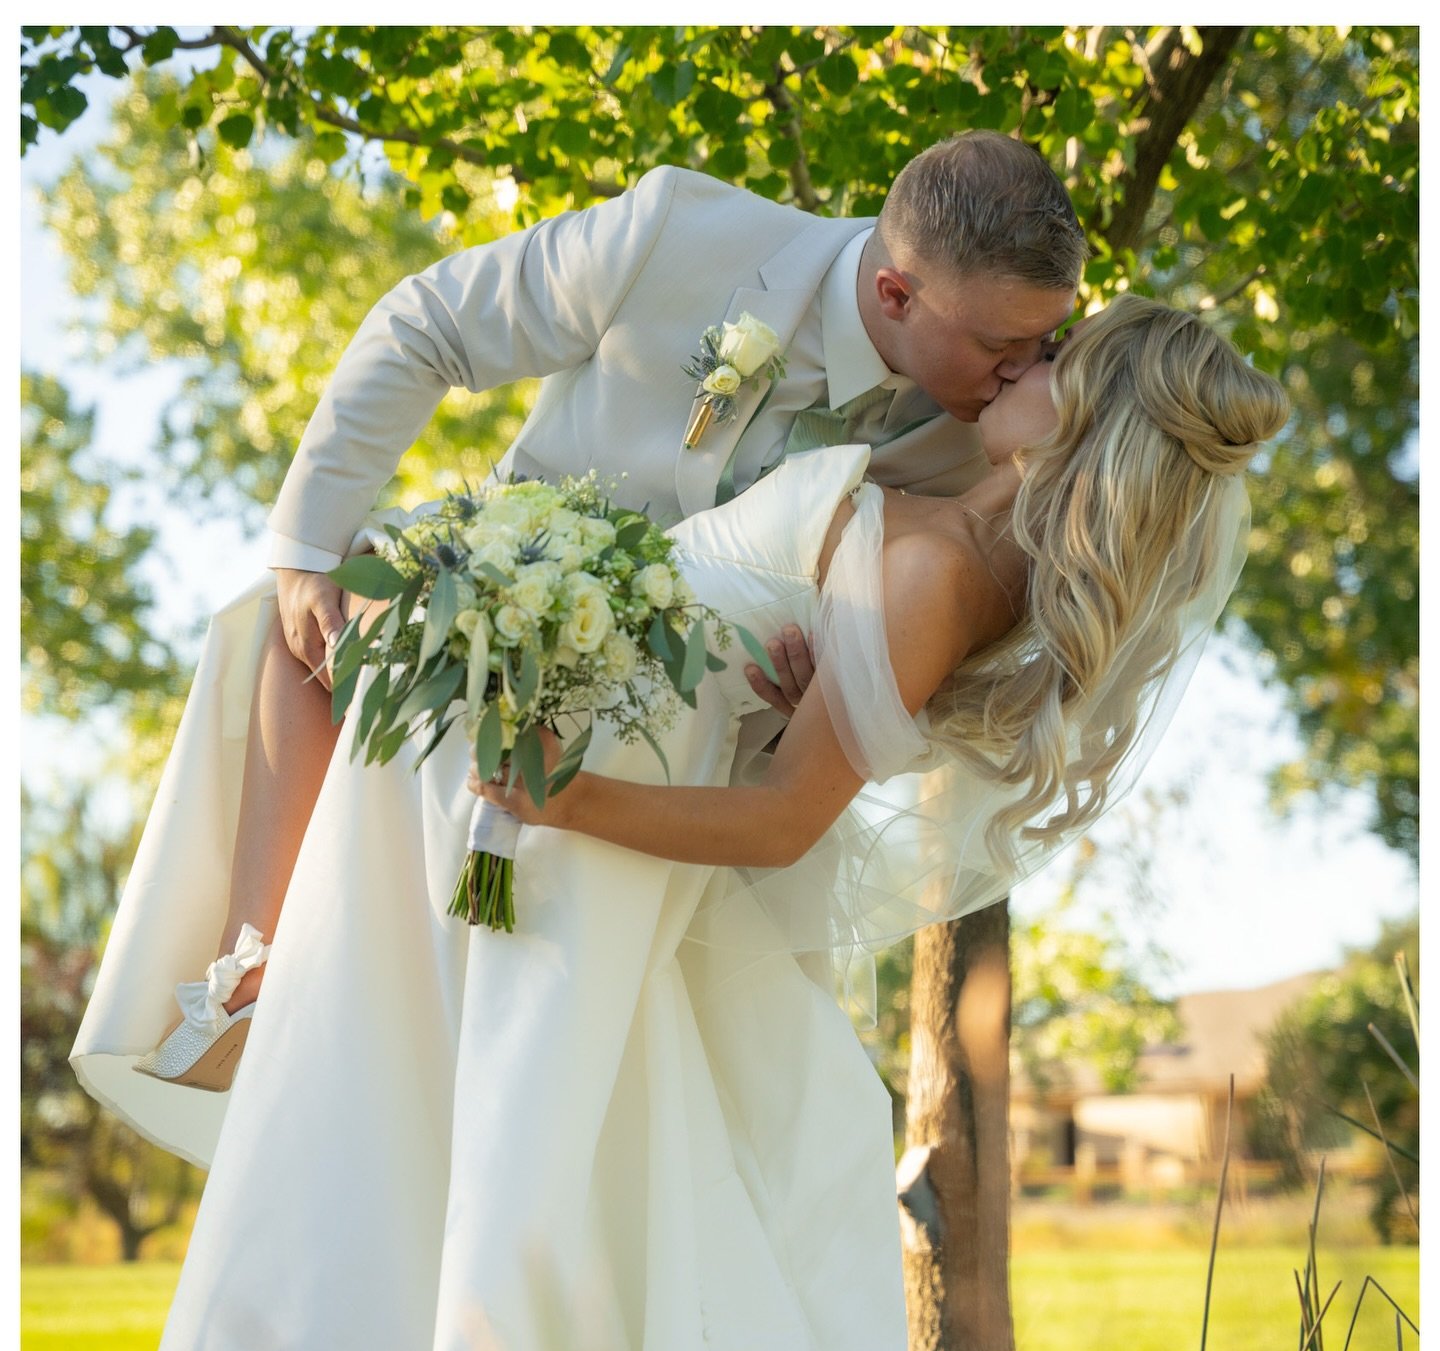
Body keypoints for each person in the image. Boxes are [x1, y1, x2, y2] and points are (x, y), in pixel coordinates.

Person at [71, 290, 1418, 1351]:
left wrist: (566, 793)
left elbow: (780, 822)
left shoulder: (949, 574)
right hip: (551, 775)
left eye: (1056, 366)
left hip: (582, 826)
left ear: (1086, 423)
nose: (1026, 365)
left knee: (463, 1161)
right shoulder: (946, 480)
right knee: (409, 1124)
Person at [114, 129, 1085, 1088]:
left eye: (1042, 340)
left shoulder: (979, 449)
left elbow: (913, 650)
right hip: (512, 612)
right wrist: (305, 552)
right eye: (1001, 342)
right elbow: (430, 325)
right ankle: (254, 971)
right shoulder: (678, 233)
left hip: (695, 735)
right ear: (894, 294)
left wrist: (835, 693)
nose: (1025, 367)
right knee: (302, 614)